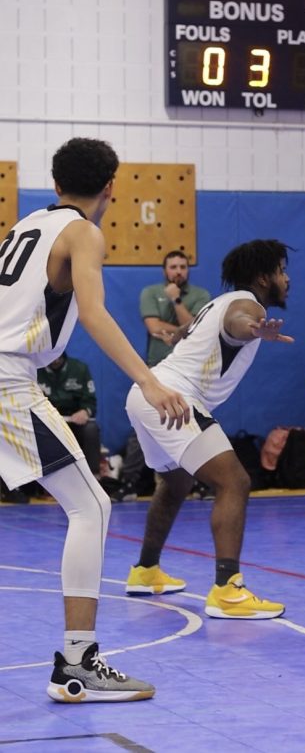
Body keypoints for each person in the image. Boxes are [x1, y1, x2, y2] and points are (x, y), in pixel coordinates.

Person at [0, 137, 190, 704]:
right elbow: (94, 312)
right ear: (111, 185)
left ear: (55, 183)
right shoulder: (83, 231)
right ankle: (77, 666)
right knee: (92, 504)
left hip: (13, 371)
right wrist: (150, 380)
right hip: (7, 379)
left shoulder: (22, 228)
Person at [125, 238, 292, 618]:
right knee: (235, 482)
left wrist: (177, 336)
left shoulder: (214, 303)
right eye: (282, 271)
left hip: (145, 393)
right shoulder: (247, 305)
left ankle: (145, 571)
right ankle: (227, 590)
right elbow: (239, 323)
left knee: (176, 482)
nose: (287, 278)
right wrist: (254, 329)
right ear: (264, 277)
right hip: (174, 396)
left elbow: (190, 334)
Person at [140, 250, 211, 367]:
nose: (179, 271)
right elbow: (154, 327)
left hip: (190, 363)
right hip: (158, 363)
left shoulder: (201, 295)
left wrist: (176, 299)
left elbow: (194, 328)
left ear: (188, 270)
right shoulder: (150, 292)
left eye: (183, 267)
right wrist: (183, 331)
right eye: (173, 267)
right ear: (164, 271)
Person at [37, 353, 102, 478]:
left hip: (74, 421)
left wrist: (85, 411)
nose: (54, 359)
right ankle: (46, 480)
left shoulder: (79, 368)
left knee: (91, 429)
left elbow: (90, 401)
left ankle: (94, 476)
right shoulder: (35, 371)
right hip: (49, 422)